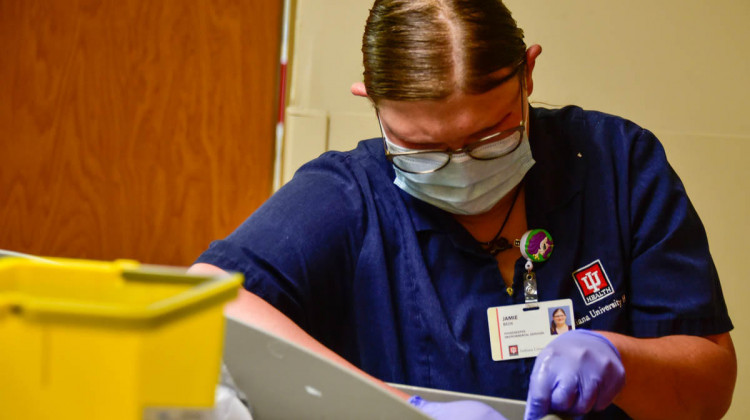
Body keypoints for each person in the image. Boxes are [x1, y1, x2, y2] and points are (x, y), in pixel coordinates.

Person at [191, 1, 737, 419]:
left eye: (490, 136)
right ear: (373, 105)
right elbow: (205, 301)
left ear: (528, 74)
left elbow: (710, 387)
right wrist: (401, 409)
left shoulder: (615, 165)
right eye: (423, 149)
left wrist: (621, 361)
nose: (463, 167)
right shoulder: (349, 195)